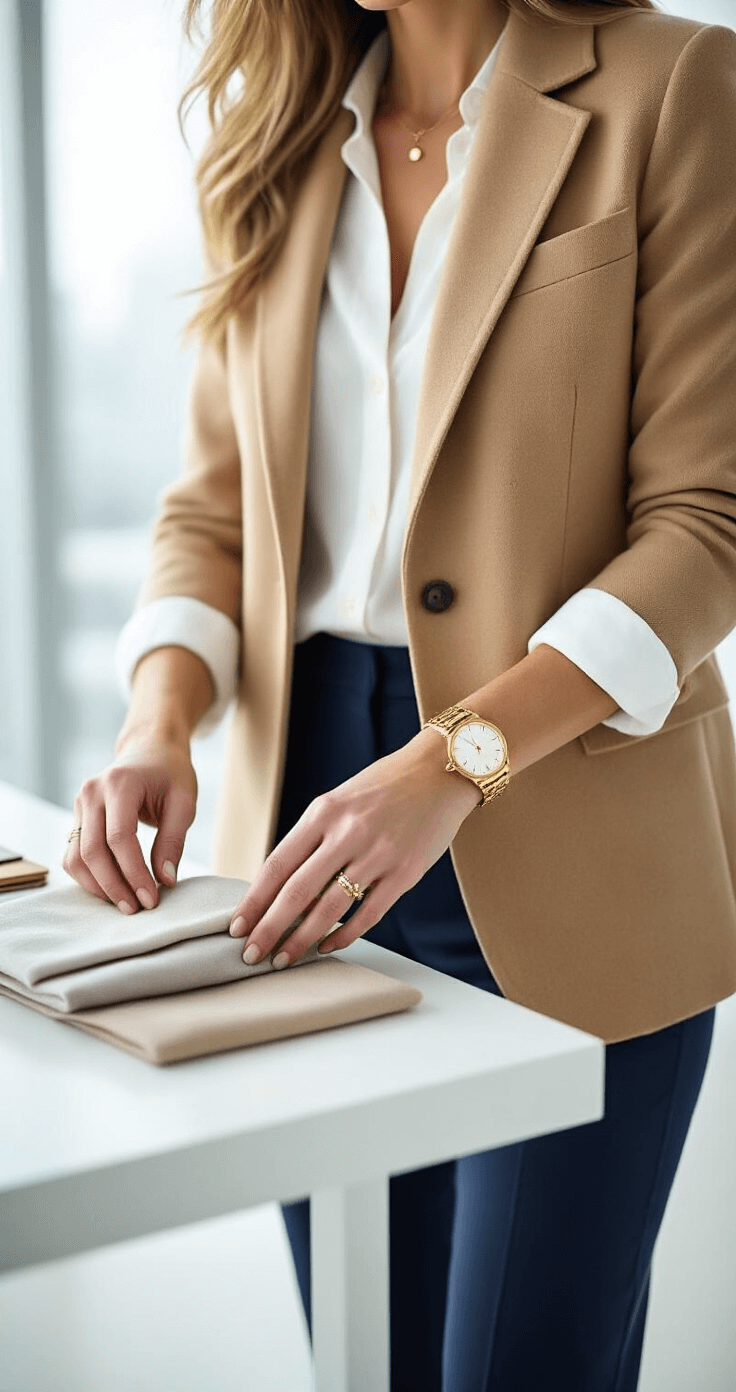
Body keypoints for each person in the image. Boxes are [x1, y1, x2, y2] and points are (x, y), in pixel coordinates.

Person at [63, 0, 736, 1387]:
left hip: (563, 810)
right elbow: (213, 509)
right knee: (365, 1352)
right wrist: (160, 717)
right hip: (303, 840)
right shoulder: (278, 131)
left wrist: (453, 762)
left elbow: (706, 524)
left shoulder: (678, 87)